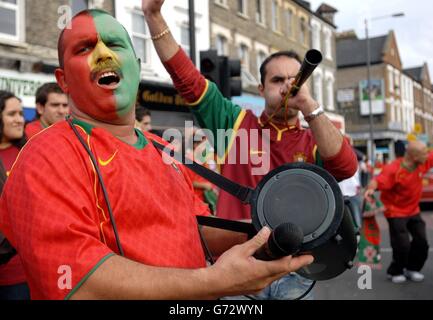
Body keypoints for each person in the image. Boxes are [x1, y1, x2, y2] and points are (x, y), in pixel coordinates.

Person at [0, 9, 313, 300]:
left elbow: (195, 228)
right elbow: (77, 283)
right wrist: (217, 281)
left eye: (114, 44)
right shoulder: (43, 156)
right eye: (84, 48)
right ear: (63, 81)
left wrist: (266, 234)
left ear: (136, 64)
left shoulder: (162, 147)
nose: (103, 54)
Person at [143, 0, 357, 300]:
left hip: (293, 272)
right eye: (277, 80)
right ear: (261, 89)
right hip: (236, 269)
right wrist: (153, 16)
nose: (286, 87)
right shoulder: (236, 123)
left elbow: (346, 167)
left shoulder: (314, 138)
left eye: (294, 81)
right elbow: (188, 80)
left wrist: (309, 107)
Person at [364, 140, 430, 284]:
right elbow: (378, 180)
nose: (428, 155)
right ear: (414, 156)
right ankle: (396, 271)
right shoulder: (393, 169)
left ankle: (412, 269)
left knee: (421, 242)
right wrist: (370, 188)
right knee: (402, 244)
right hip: (395, 212)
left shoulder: (422, 162)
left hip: (414, 210)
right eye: (425, 153)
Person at [0, 90, 30, 300]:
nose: (19, 120)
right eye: (12, 114)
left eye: (21, 114)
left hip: (23, 272)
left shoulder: (29, 152)